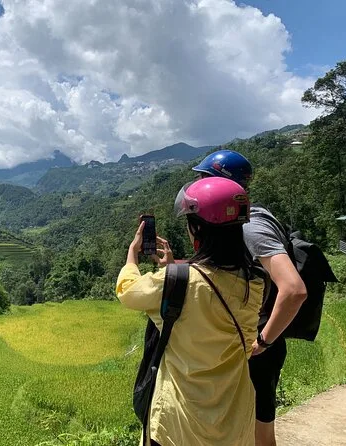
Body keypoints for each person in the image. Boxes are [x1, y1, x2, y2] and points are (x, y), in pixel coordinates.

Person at [116, 177, 265, 446]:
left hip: (181, 422)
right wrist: (173, 269)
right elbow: (213, 289)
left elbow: (128, 291)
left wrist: (132, 254)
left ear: (196, 228)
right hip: (234, 416)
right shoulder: (254, 282)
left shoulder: (180, 281)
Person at [193, 150, 308, 446]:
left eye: (204, 179)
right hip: (251, 343)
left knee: (259, 435)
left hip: (257, 347)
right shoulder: (241, 220)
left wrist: (263, 341)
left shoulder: (252, 226)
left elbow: (294, 290)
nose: (200, 186)